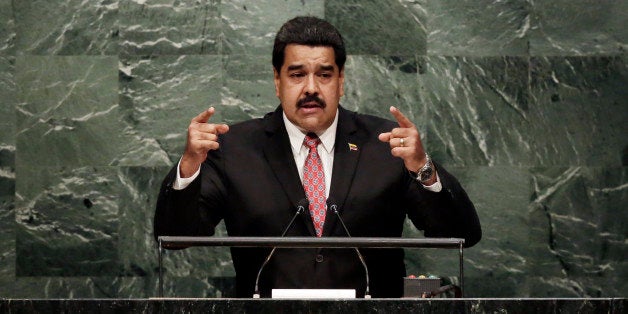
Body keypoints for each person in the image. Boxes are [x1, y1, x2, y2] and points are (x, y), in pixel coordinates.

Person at [154, 16, 481, 298]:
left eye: (324, 75)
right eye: (297, 75)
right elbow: (175, 238)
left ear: (341, 82)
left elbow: (460, 235)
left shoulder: (387, 144)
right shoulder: (234, 148)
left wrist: (423, 168)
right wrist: (189, 166)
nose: (311, 87)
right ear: (277, 81)